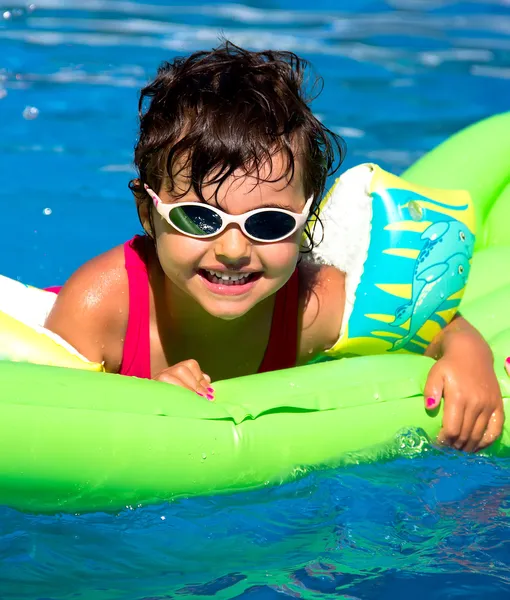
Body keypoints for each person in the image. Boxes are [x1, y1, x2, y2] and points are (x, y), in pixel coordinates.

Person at [45, 42, 503, 453]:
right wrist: (142, 401)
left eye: (268, 223)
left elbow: (429, 315)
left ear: (306, 224)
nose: (232, 249)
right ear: (149, 213)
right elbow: (54, 420)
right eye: (199, 219)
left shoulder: (310, 308)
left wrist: (468, 355)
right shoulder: (102, 307)